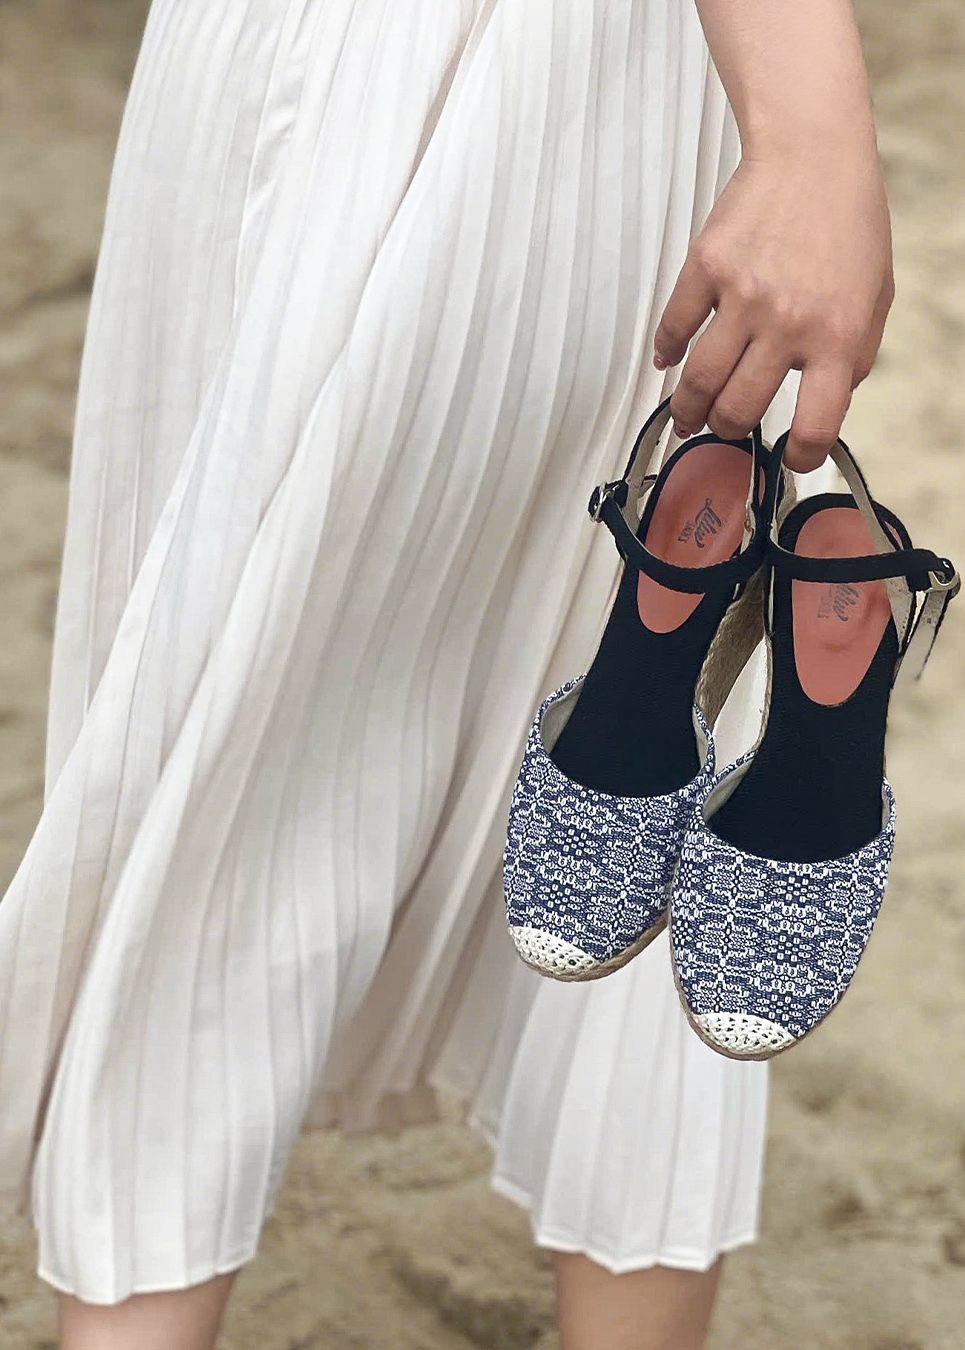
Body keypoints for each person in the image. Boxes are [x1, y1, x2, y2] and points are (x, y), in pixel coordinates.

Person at [0, 0, 894, 1345]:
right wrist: (813, 135)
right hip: (546, 83)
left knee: (243, 750)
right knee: (646, 742)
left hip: (364, 67)